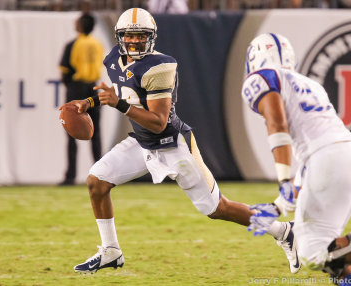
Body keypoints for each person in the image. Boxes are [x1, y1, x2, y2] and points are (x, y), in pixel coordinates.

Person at [60, 8, 299, 275]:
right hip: (142, 142)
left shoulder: (160, 66)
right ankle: (110, 251)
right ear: (120, 37)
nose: (136, 41)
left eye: (142, 36)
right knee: (97, 180)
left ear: (151, 38)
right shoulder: (114, 59)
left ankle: (282, 231)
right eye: (130, 36)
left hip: (173, 144)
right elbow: (121, 89)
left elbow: (158, 121)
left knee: (218, 208)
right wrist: (89, 102)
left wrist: (120, 106)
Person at [242, 33, 351, 286]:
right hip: (350, 156)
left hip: (330, 160)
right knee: (329, 249)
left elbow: (278, 125)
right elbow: (312, 160)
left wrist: (283, 180)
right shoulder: (310, 85)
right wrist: (279, 205)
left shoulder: (261, 78)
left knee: (314, 252)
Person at [59, 13, 104, 186]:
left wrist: (70, 86)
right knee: (96, 134)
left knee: (71, 132)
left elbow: (65, 71)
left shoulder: (73, 45)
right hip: (93, 89)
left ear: (80, 25)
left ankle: (70, 176)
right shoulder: (97, 44)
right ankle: (101, 175)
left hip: (76, 89)